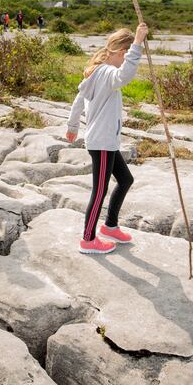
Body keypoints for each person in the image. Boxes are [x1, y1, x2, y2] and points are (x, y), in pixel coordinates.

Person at [66, 23, 148, 254]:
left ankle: (110, 226)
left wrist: (73, 125)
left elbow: (78, 100)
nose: (126, 60)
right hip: (102, 143)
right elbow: (125, 75)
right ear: (122, 53)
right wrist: (138, 44)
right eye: (127, 56)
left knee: (125, 180)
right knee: (99, 190)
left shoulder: (98, 71)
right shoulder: (109, 73)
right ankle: (88, 240)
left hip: (106, 142)